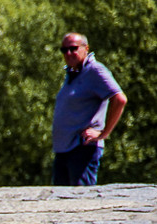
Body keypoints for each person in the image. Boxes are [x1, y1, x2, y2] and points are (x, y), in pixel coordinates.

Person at [52, 33, 128, 187]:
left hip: (82, 149)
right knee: (60, 205)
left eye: (73, 48)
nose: (68, 53)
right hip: (64, 149)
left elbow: (119, 99)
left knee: (81, 203)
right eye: (64, 50)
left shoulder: (95, 70)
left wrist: (103, 133)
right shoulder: (72, 74)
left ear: (86, 48)